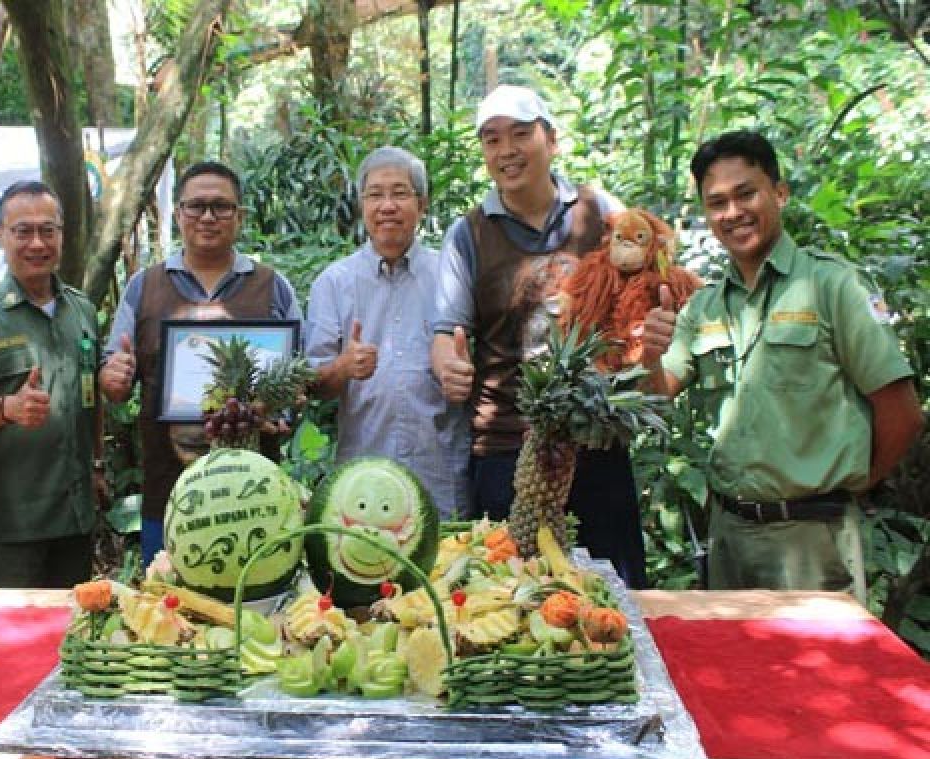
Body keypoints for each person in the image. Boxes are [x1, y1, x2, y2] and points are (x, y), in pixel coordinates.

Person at [642, 130, 923, 599]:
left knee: (824, 672)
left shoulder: (835, 287)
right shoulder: (703, 307)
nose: (733, 213)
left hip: (815, 539)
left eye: (745, 193)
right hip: (729, 535)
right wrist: (649, 358)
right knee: (731, 671)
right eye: (717, 203)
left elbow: (902, 414)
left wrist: (846, 491)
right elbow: (658, 393)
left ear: (779, 192)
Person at [430, 84, 650, 588]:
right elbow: (447, 332)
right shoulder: (469, 234)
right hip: (508, 448)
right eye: (491, 139)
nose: (506, 150)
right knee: (512, 597)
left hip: (596, 442)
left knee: (612, 595)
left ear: (551, 139)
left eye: (520, 134)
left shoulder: (602, 214)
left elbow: (641, 291)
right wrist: (448, 365)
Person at [99, 161, 303, 567]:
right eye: (196, 206)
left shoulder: (272, 286)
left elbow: (299, 374)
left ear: (240, 217)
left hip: (256, 497)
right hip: (169, 492)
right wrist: (113, 376)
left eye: (221, 207)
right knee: (169, 609)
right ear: (178, 215)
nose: (208, 216)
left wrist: (287, 409)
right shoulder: (145, 287)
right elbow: (113, 375)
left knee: (254, 608)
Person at [0, 181, 105, 590]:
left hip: (75, 519)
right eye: (22, 231)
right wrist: (6, 409)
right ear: (0, 236)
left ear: (62, 235)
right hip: (11, 528)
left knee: (68, 640)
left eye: (48, 230)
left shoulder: (80, 310)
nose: (36, 243)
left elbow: (90, 396)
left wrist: (97, 466)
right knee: (7, 648)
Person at [305, 146, 469, 518]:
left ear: (422, 204)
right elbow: (311, 384)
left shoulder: (452, 275)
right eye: (375, 194)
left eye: (400, 193)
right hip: (362, 475)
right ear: (362, 205)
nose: (387, 205)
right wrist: (343, 367)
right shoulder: (334, 283)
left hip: (439, 473)